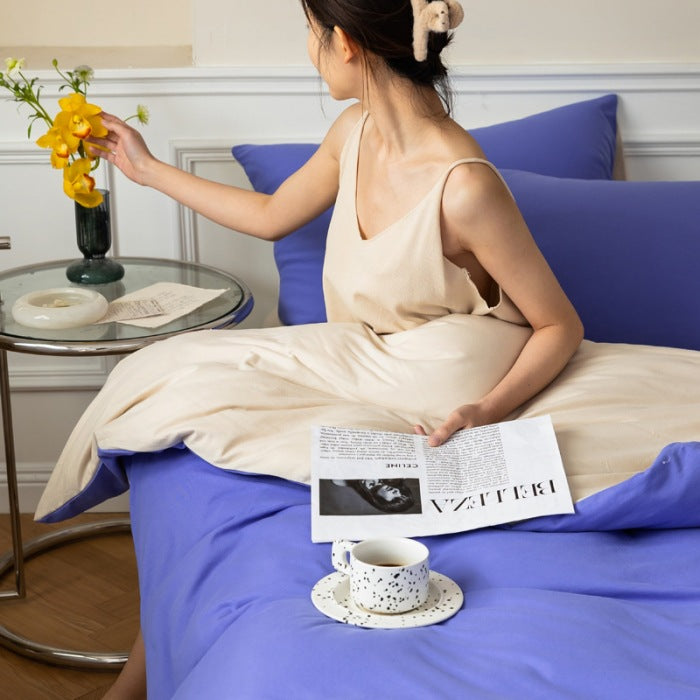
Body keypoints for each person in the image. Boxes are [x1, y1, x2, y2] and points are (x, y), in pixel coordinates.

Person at [85, 0, 582, 696]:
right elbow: (269, 216)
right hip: (361, 364)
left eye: (312, 38)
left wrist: (484, 411)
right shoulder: (354, 131)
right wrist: (144, 169)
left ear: (345, 44)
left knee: (199, 387)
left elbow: (560, 325)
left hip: (441, 390)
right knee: (173, 370)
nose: (310, 53)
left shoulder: (465, 186)